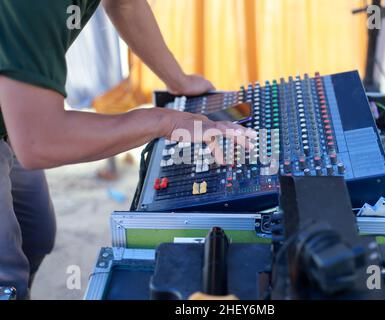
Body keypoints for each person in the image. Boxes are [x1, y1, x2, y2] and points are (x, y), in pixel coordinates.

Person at [0, 0, 254, 299]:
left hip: (12, 119)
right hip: (26, 130)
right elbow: (40, 142)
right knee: (7, 277)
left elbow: (125, 4)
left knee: (36, 235)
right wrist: (163, 121)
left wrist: (179, 82)